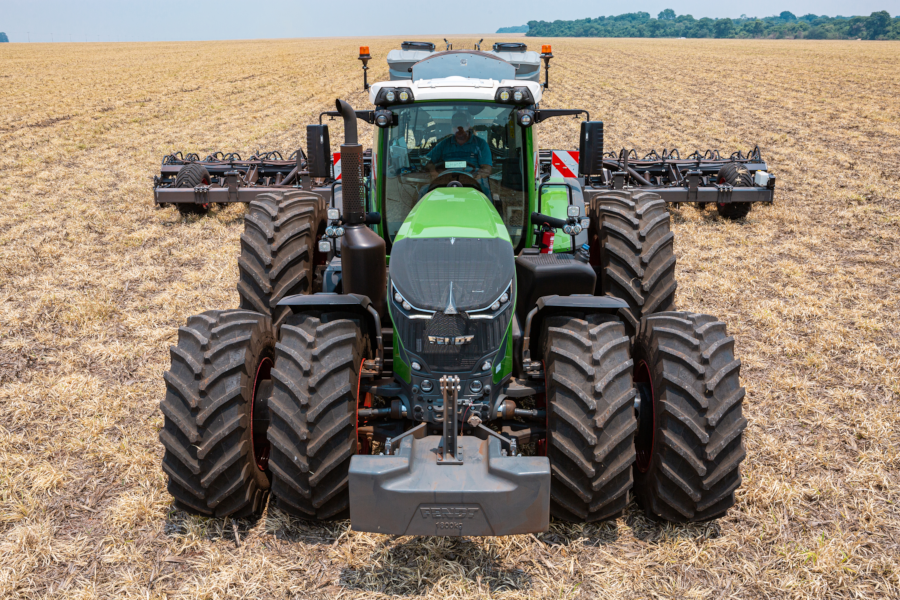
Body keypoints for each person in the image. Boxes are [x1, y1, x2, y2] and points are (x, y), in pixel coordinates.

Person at [424, 111, 492, 196]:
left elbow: (486, 168)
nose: (459, 130)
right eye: (456, 127)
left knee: (486, 194)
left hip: (472, 182)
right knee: (424, 192)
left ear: (468, 125)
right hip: (445, 181)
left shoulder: (480, 144)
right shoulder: (444, 144)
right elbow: (427, 160)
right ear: (451, 127)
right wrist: (433, 172)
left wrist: (479, 176)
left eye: (462, 126)